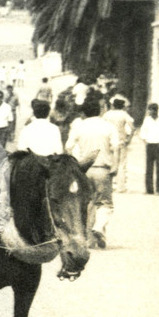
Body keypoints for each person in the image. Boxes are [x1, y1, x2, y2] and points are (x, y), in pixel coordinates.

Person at [66, 99, 118, 248]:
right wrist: (115, 166)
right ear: (100, 110)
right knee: (105, 204)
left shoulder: (79, 127)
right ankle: (99, 227)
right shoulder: (108, 126)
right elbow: (116, 147)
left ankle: (89, 239)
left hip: (84, 170)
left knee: (87, 204)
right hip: (102, 168)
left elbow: (68, 147)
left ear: (83, 112)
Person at [102, 98, 134, 192]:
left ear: (113, 105)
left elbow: (103, 125)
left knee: (109, 163)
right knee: (121, 164)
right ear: (122, 106)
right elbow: (133, 127)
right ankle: (121, 187)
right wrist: (129, 139)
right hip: (121, 141)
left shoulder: (107, 114)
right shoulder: (124, 114)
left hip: (109, 141)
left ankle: (110, 185)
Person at [140, 102, 159, 195]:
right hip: (150, 145)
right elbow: (143, 131)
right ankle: (149, 189)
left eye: (151, 110)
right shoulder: (147, 120)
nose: (149, 112)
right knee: (149, 168)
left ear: (155, 110)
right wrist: (145, 140)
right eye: (149, 110)